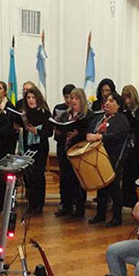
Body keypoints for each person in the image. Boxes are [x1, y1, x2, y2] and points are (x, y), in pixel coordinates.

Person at [87, 92, 130, 226]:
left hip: (114, 156)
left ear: (118, 105)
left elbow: (118, 134)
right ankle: (100, 214)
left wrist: (100, 137)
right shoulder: (100, 118)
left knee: (114, 187)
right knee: (101, 186)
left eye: (111, 101)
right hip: (99, 156)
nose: (107, 103)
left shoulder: (121, 119)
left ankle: (117, 217)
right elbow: (91, 129)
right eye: (106, 101)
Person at [55, 88, 91, 217]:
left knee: (78, 180)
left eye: (77, 98)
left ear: (82, 100)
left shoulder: (87, 115)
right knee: (65, 179)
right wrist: (60, 132)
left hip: (78, 152)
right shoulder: (65, 115)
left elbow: (89, 132)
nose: (73, 101)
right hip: (64, 150)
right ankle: (67, 206)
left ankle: (79, 208)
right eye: (72, 98)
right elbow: (58, 135)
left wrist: (77, 134)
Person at [20, 87, 52, 214]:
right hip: (27, 147)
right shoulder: (24, 114)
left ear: (38, 98)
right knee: (28, 175)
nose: (31, 100)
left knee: (38, 175)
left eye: (33, 97)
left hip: (40, 148)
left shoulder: (45, 113)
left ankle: (39, 204)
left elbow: (49, 132)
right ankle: (31, 202)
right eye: (28, 97)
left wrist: (36, 131)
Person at [121, 84, 139, 207]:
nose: (127, 101)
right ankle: (125, 198)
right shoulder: (124, 111)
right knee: (126, 170)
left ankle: (134, 198)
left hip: (137, 142)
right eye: (125, 98)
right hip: (127, 142)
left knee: (133, 168)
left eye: (129, 98)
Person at [53, 83, 76, 214]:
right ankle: (64, 203)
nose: (69, 100)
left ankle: (76, 203)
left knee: (75, 176)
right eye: (66, 97)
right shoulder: (60, 109)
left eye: (71, 97)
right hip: (62, 145)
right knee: (64, 176)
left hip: (74, 147)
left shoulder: (80, 111)